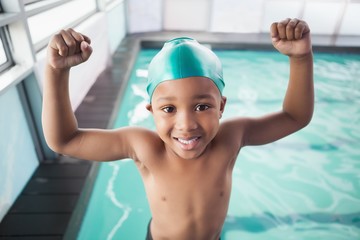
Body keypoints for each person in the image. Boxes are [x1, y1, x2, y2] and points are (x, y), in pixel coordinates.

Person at [42, 18, 314, 240]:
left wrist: (301, 58)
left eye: (202, 107)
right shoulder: (143, 146)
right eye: (169, 109)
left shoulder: (232, 136)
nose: (186, 125)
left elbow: (295, 116)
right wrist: (56, 72)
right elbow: (65, 141)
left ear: (221, 106)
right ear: (151, 111)